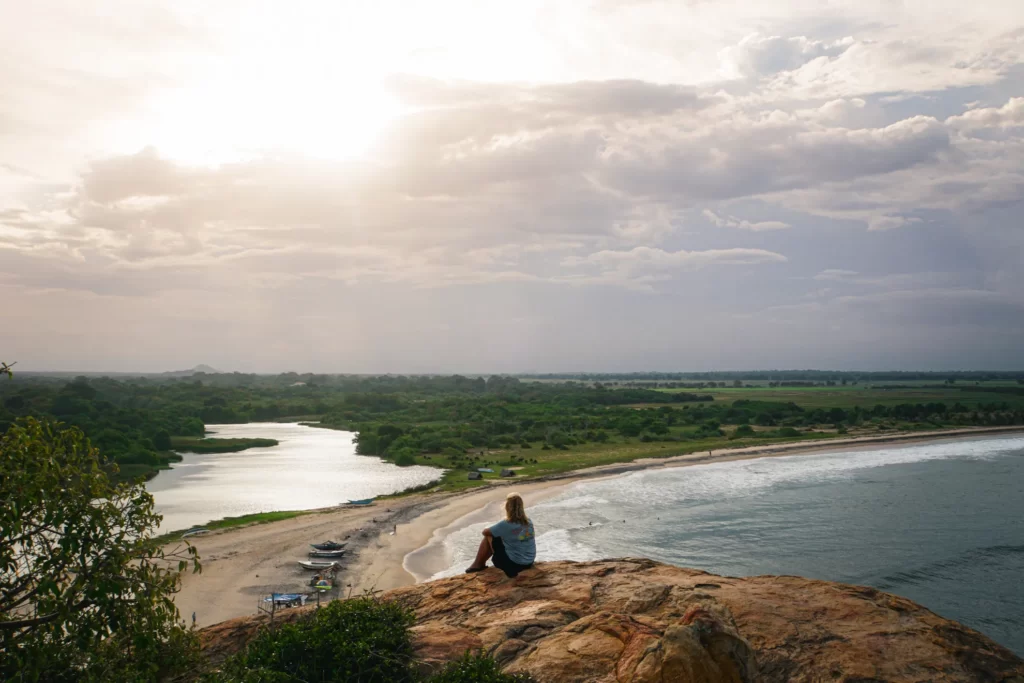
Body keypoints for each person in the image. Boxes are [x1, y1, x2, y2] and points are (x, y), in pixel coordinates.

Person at [466, 492, 535, 577]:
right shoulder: (528, 521)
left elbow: (485, 532)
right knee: (502, 536)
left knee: (489, 536)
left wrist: (495, 530)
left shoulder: (506, 524)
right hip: (529, 562)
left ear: (507, 507)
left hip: (514, 566)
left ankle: (477, 565)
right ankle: (478, 564)